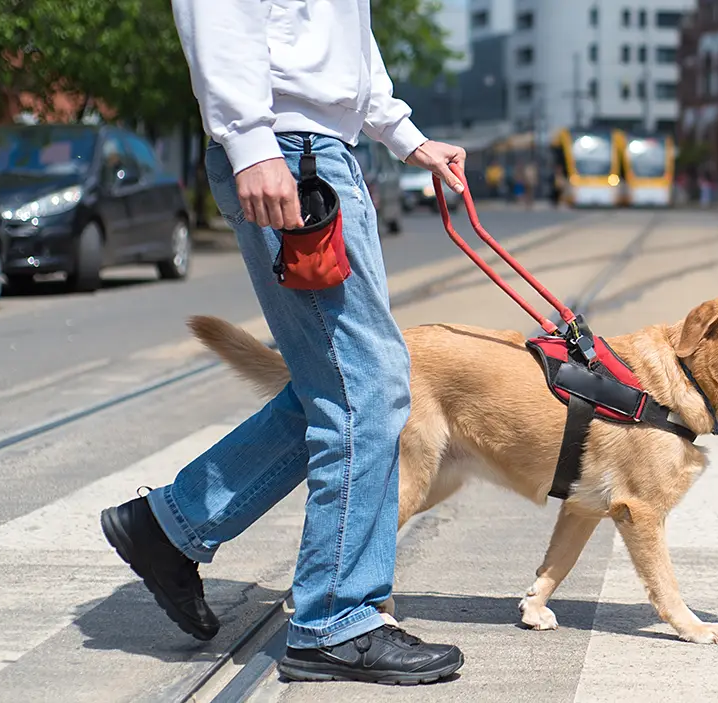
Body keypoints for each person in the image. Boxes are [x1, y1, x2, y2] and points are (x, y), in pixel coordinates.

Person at [98, 0, 468, 686]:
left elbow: (338, 33)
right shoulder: (271, 143)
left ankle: (170, 526)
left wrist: (403, 134)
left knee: (348, 383)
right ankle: (335, 617)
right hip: (290, 152)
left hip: (319, 148)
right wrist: (250, 140)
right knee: (368, 386)